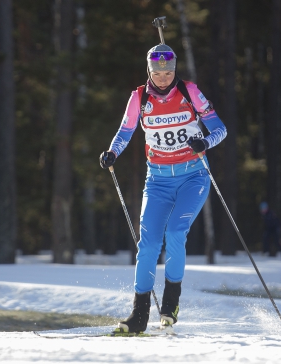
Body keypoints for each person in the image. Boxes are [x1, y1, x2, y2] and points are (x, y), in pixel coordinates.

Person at [99, 44, 227, 334]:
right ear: (149, 71)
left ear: (175, 70)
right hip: (157, 181)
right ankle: (139, 315)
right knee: (149, 244)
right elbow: (126, 130)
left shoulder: (190, 92)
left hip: (193, 177)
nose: (164, 78)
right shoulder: (139, 97)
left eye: (169, 72)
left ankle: (170, 305)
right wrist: (112, 153)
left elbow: (220, 128)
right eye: (158, 73)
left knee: (175, 233)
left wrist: (205, 143)